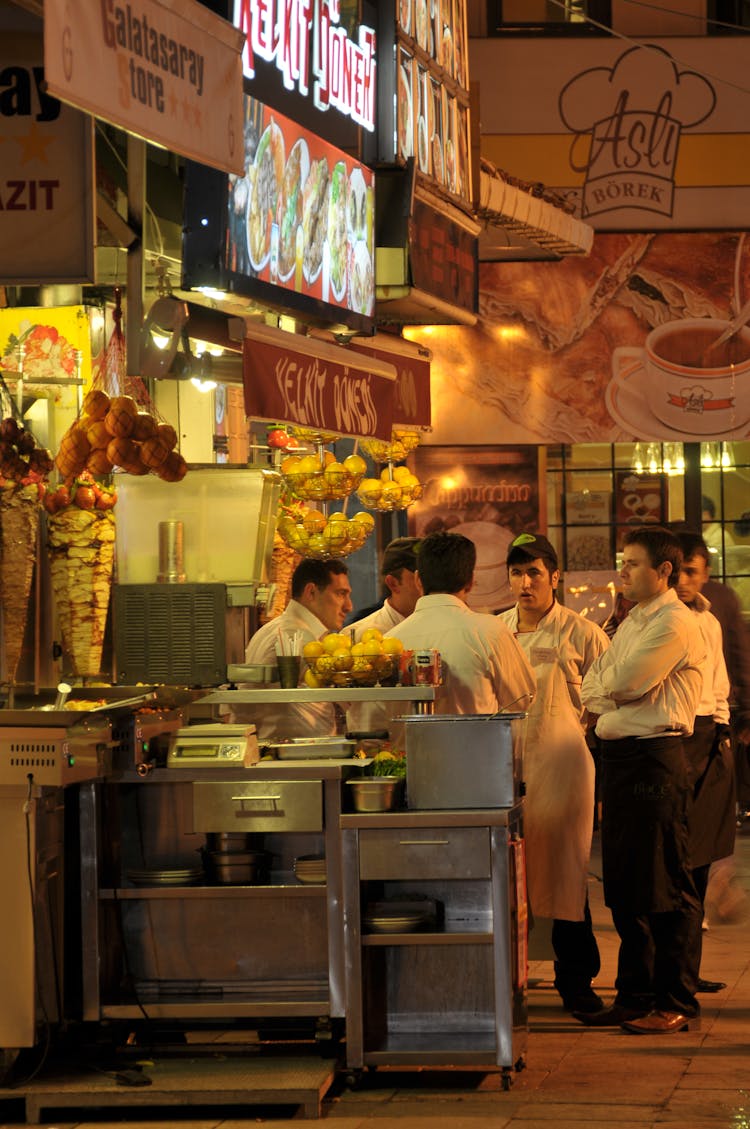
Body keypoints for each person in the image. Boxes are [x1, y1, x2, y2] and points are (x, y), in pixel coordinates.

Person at [577, 526, 705, 1034]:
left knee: (665, 881)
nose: (622, 572)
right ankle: (633, 994)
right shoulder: (634, 620)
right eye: (622, 562)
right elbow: (593, 685)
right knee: (627, 881)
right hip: (620, 757)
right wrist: (613, 690)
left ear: (664, 570)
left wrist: (613, 690)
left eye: (632, 564)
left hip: (655, 757)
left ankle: (675, 999)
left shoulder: (674, 622)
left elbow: (627, 683)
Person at [498, 532, 609, 1014]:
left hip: (564, 768)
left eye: (534, 574)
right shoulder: (496, 632)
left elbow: (607, 706)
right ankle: (507, 983)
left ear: (555, 576)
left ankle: (577, 985)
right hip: (505, 770)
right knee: (506, 878)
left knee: (566, 874)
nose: (525, 584)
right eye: (517, 574)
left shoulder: (583, 633)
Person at [348, 531, 536, 737]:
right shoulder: (491, 631)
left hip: (409, 765)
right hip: (478, 762)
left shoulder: (390, 642)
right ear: (471, 581)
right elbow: (523, 697)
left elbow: (378, 717)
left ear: (419, 580)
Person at [674, 532, 734, 989]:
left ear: (706, 575)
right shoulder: (655, 618)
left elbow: (720, 681)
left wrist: (727, 728)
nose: (683, 581)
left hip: (711, 737)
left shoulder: (709, 620)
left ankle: (688, 972)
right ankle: (674, 974)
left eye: (692, 572)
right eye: (678, 571)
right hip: (674, 739)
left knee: (702, 856)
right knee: (674, 858)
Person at [231, 558, 353, 743]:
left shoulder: (280, 628)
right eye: (340, 594)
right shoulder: (295, 636)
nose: (349, 606)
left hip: (289, 753)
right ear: (311, 592)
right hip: (289, 757)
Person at [347, 537, 421, 641]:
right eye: (420, 577)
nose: (430, 583)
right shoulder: (359, 636)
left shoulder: (442, 626)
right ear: (393, 583)